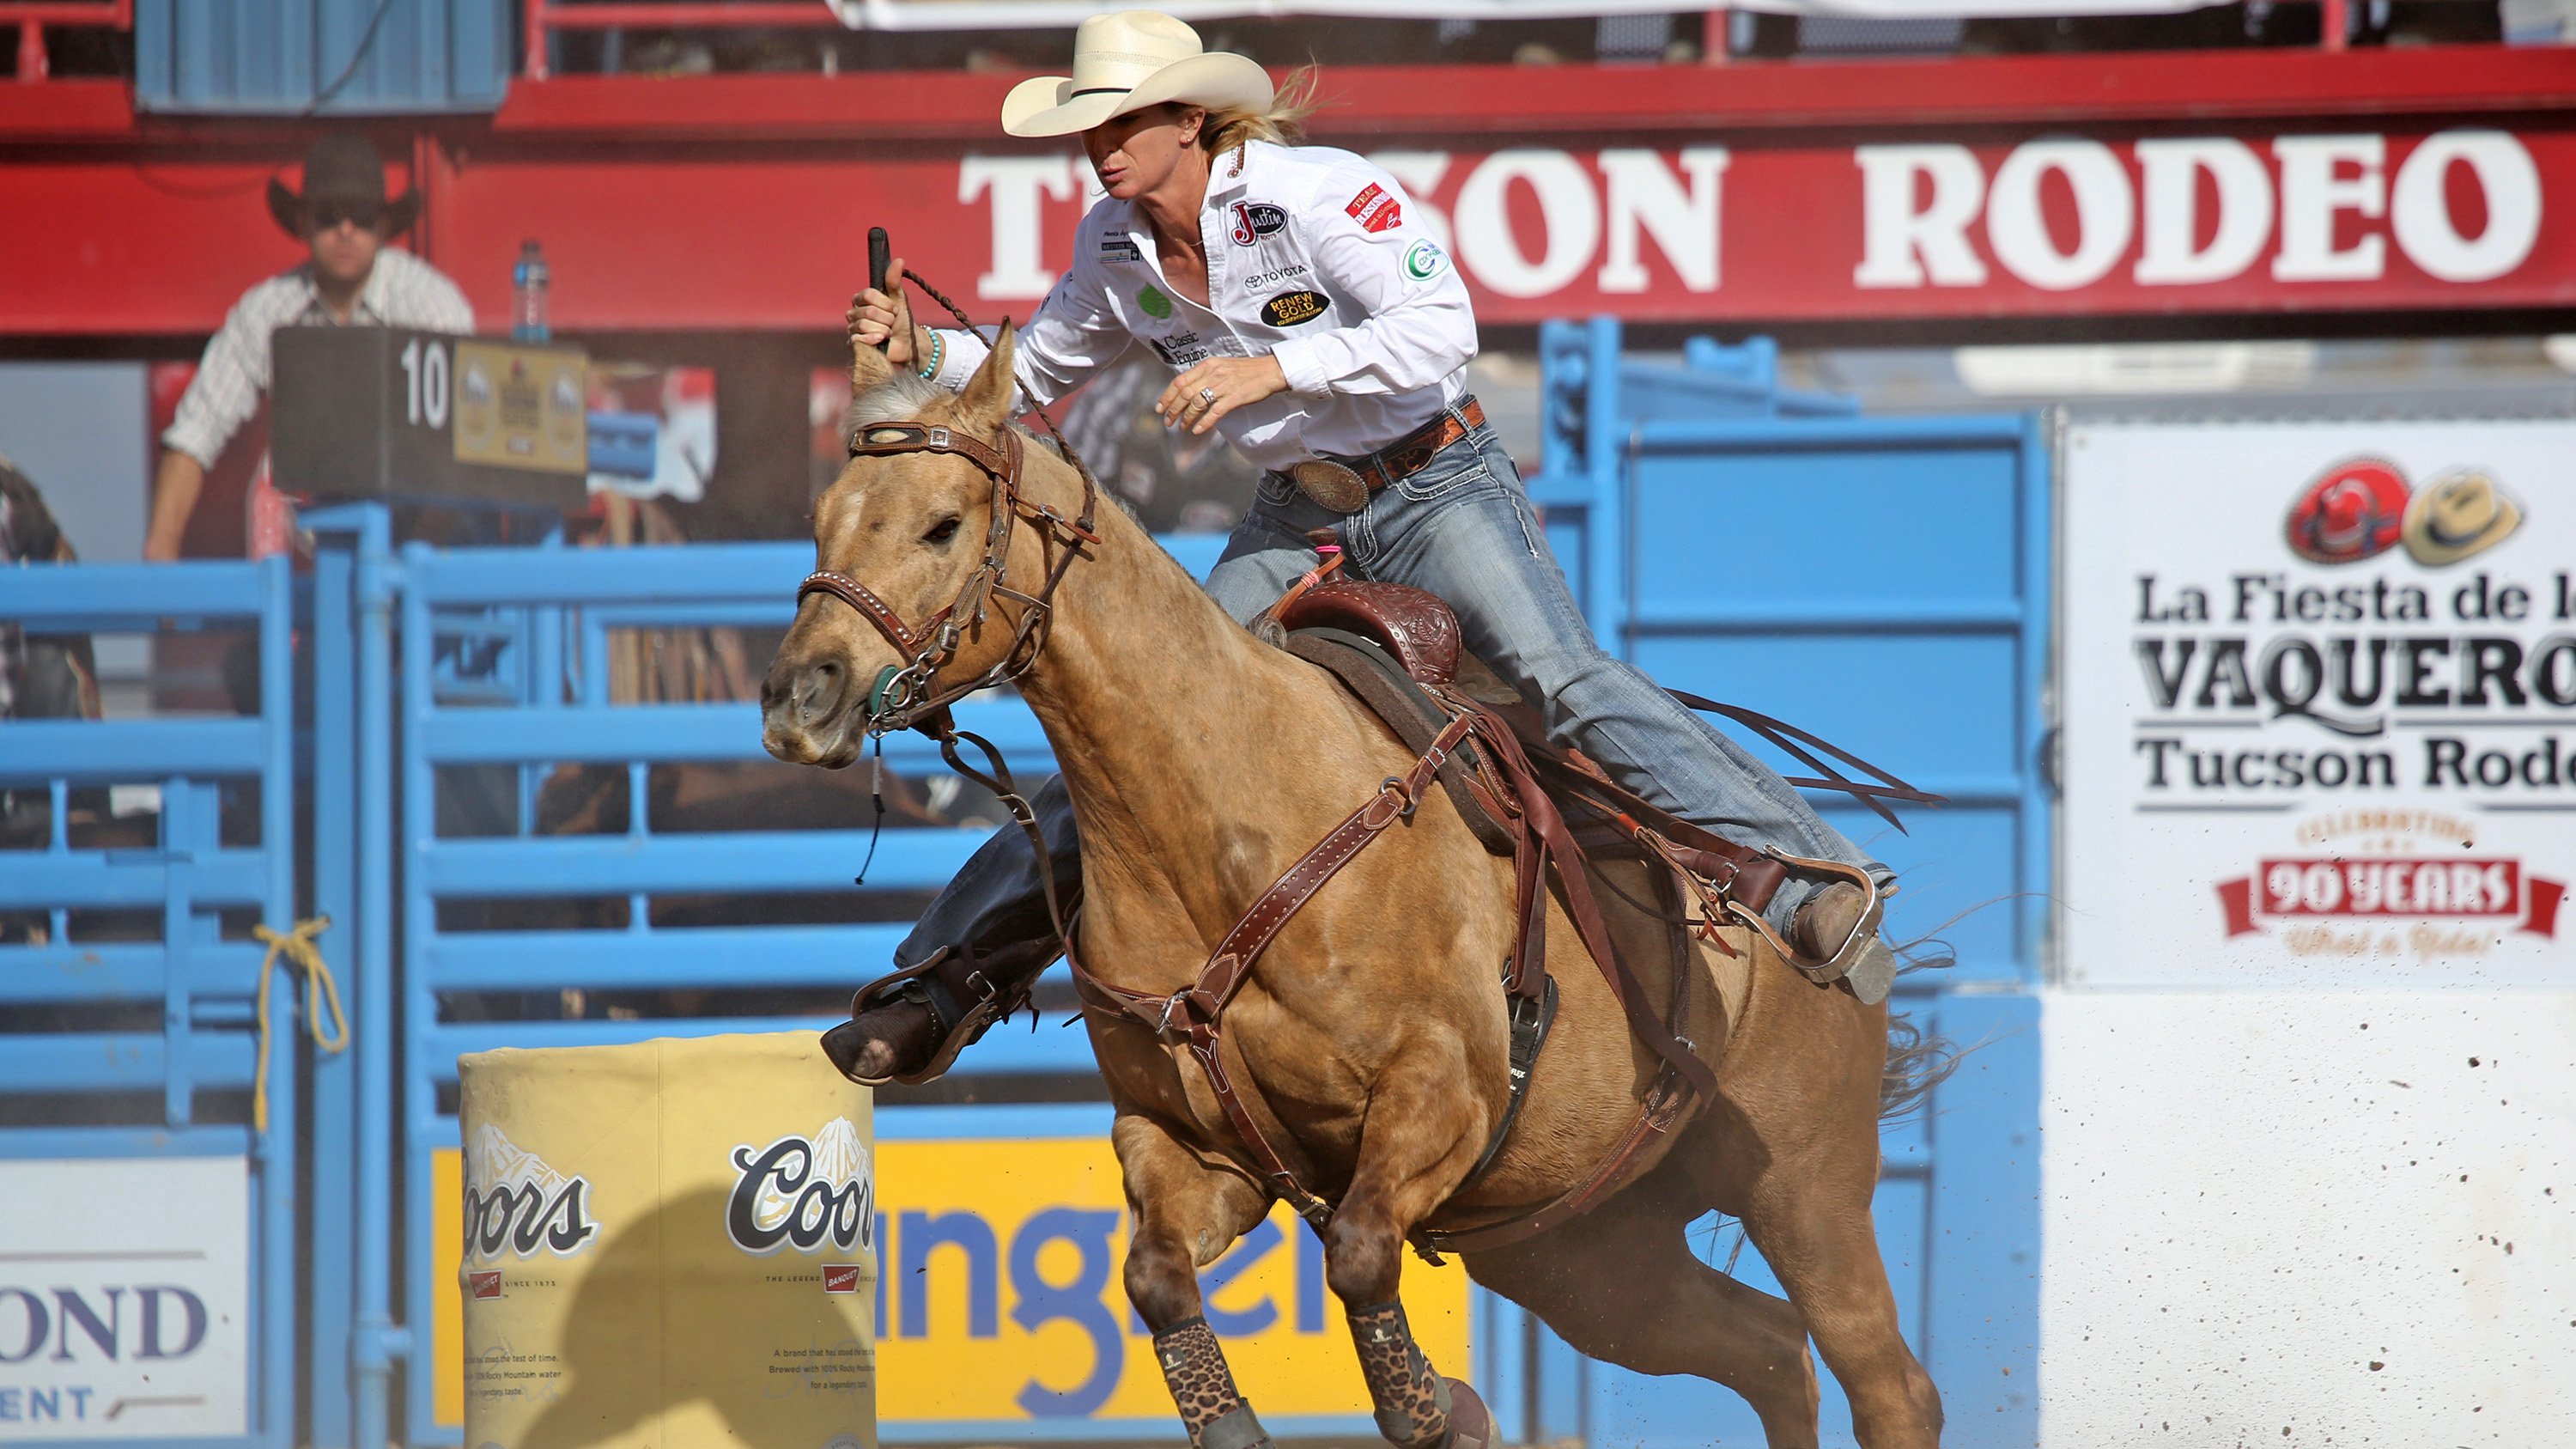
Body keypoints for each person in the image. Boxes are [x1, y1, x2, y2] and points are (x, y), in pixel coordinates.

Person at [833, 9, 1898, 1085]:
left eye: (1126, 120)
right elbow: (1042, 362)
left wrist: (1276, 371)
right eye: (1089, 127)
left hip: (1435, 481)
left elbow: (1444, 326)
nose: (1102, 146)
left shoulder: (1318, 194)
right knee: (1145, 711)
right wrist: (925, 352)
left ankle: (1818, 881)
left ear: (1190, 118)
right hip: (1301, 509)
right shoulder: (1112, 246)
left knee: (1563, 680)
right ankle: (948, 980)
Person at [146, 132, 473, 562]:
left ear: (386, 227)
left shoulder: (430, 306)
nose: (346, 231)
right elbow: (196, 431)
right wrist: (161, 550)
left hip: (437, 533)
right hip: (319, 538)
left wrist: (419, 551)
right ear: (302, 223)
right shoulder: (265, 313)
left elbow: (464, 437)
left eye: (363, 216)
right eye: (328, 216)